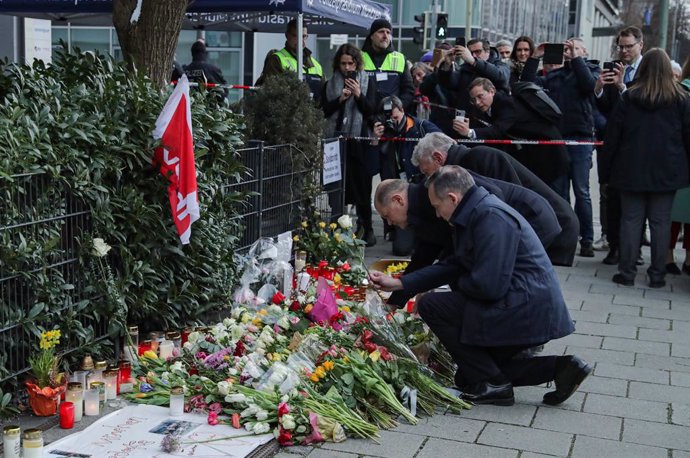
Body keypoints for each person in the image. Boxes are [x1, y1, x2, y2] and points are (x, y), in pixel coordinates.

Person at [370, 165, 590, 406]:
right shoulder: (475, 212)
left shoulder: (490, 217)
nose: (436, 214)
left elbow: (487, 286)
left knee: (433, 306)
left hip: (527, 309)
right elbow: (454, 263)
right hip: (522, 302)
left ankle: (494, 385)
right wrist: (401, 283)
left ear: (452, 198)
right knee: (469, 375)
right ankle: (561, 368)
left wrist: (449, 286)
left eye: (436, 207)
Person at [375, 175, 561, 307]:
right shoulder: (425, 205)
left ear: (398, 200)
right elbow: (425, 256)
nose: (390, 222)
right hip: (513, 223)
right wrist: (396, 301)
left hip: (533, 218)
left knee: (497, 287)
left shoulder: (434, 192)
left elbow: (493, 196)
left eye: (387, 216)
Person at [411, 132, 579, 267]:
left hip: (552, 223)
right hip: (539, 222)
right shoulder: (466, 163)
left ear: (439, 158)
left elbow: (508, 202)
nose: (428, 181)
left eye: (427, 173)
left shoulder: (479, 157)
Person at [599, 48, 690, 288]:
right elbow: (688, 137)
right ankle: (657, 275)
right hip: (667, 170)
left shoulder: (629, 97)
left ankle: (627, 272)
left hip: (630, 168)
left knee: (630, 220)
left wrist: (605, 172)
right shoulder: (680, 99)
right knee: (660, 223)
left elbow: (613, 137)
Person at [522, 38, 600, 257]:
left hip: (580, 138)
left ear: (583, 51)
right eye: (566, 48)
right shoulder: (554, 75)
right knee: (559, 191)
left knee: (582, 192)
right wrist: (535, 57)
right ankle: (566, 236)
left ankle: (587, 238)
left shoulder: (591, 69)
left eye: (575, 48)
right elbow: (526, 87)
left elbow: (588, 86)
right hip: (557, 138)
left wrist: (576, 59)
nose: (568, 51)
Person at [452, 77, 569, 189]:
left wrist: (470, 132)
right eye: (473, 100)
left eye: (480, 96)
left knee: (558, 199)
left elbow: (498, 131)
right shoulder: (488, 108)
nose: (477, 102)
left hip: (551, 156)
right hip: (534, 158)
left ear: (492, 91)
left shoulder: (506, 104)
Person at [595, 26, 645, 266]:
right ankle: (615, 246)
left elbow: (644, 107)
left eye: (629, 46)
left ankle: (633, 249)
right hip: (614, 145)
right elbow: (606, 108)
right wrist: (599, 88)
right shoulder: (614, 68)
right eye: (621, 46)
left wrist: (623, 87)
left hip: (639, 146)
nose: (624, 51)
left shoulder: (648, 70)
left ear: (640, 45)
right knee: (612, 198)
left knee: (635, 202)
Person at [321, 44, 378, 247]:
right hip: (335, 141)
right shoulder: (330, 84)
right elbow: (324, 110)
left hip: (358, 141)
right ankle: (337, 226)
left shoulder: (367, 81)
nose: (346, 67)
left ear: (357, 64)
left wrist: (358, 95)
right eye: (343, 63)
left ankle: (366, 228)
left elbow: (371, 109)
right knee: (335, 186)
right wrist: (340, 99)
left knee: (361, 186)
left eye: (350, 63)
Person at [371, 95, 441, 255]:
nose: (393, 122)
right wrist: (375, 140)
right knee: (401, 250)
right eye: (388, 119)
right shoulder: (383, 135)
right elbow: (371, 169)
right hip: (399, 198)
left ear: (403, 110)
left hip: (421, 191)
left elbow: (445, 145)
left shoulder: (420, 127)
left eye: (395, 117)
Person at [255, 19, 323, 102]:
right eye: (296, 36)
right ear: (287, 36)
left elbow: (324, 97)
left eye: (304, 36)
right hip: (287, 113)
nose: (300, 41)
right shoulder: (277, 59)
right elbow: (272, 94)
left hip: (313, 114)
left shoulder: (317, 65)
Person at [667, 57, 690, 276]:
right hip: (681, 157)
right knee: (674, 211)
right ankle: (667, 254)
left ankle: (689, 258)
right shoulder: (682, 91)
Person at [361, 19, 415, 110]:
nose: (385, 36)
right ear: (372, 36)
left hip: (390, 115)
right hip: (364, 114)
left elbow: (408, 90)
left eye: (388, 32)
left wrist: (397, 107)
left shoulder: (400, 58)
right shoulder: (358, 57)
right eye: (381, 32)